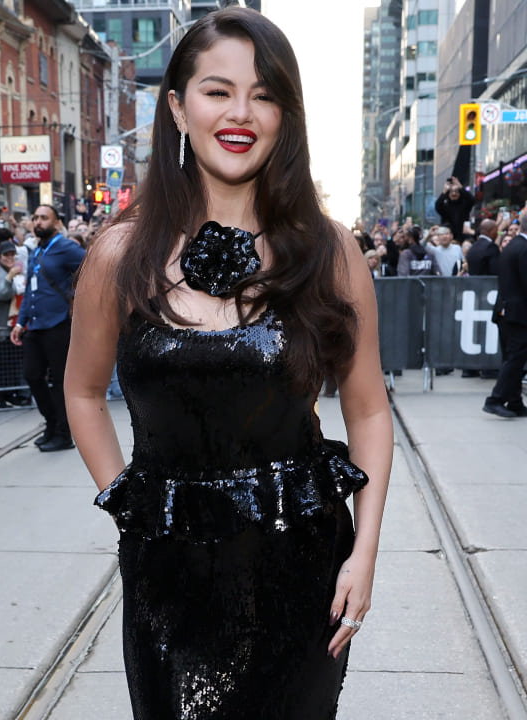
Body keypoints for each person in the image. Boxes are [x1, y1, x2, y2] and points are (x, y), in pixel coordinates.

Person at [62, 9, 391, 717]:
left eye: (265, 94)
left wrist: (363, 553)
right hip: (168, 574)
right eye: (218, 91)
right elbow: (83, 394)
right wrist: (129, 505)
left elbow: (367, 408)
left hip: (301, 570)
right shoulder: (119, 257)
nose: (241, 113)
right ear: (178, 106)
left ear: (285, 116)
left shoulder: (330, 253)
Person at [10, 205, 85, 451]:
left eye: (44, 217)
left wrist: (77, 298)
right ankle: (51, 423)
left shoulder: (66, 247)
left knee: (60, 381)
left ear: (57, 223)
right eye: (35, 217)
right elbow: (31, 291)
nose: (38, 221)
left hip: (58, 324)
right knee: (32, 375)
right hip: (35, 325)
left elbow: (92, 269)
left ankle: (64, 434)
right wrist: (21, 322)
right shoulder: (36, 250)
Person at [486, 220, 527, 417]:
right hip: (518, 313)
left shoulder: (512, 246)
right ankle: (496, 399)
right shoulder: (523, 248)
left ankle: (514, 401)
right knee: (515, 357)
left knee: (514, 357)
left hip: (506, 310)